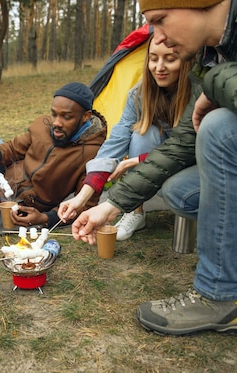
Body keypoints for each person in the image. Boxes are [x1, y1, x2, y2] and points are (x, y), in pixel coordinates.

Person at [72, 0, 237, 336]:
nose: (161, 38)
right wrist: (110, 205)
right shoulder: (217, 52)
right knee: (182, 190)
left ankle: (222, 296)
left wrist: (216, 82)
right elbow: (181, 143)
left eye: (161, 20)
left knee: (220, 129)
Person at [58, 35, 194, 241]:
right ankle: (135, 212)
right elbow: (115, 143)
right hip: (157, 159)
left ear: (185, 60)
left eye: (169, 59)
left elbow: (191, 148)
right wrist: (82, 197)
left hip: (191, 161)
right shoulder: (138, 95)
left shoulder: (198, 94)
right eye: (153, 58)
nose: (159, 67)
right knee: (141, 133)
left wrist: (136, 161)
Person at [0, 82, 107, 229]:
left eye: (66, 117)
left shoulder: (94, 154)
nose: (56, 122)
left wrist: (45, 218)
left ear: (86, 116)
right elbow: (14, 148)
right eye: (54, 114)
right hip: (2, 166)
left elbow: (86, 205)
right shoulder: (43, 124)